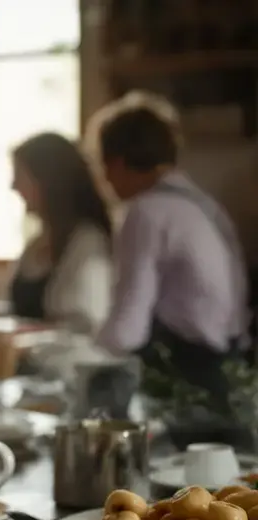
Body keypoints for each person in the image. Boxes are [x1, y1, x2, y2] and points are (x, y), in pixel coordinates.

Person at [90, 92, 250, 405]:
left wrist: (71, 354)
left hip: (191, 380)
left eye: (103, 168)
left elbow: (126, 332)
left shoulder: (148, 210)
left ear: (117, 163)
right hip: (232, 373)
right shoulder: (201, 204)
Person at [8, 132, 115, 334]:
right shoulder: (37, 242)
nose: (13, 186)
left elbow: (83, 326)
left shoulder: (87, 242)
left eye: (20, 176)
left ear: (47, 180)